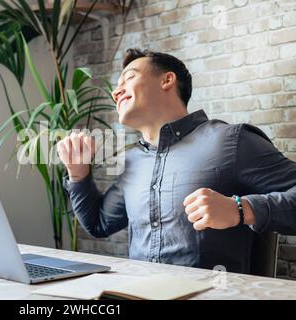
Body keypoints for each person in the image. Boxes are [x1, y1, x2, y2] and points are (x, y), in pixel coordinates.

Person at [57, 48, 296, 274]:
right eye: (116, 87)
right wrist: (78, 175)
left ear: (167, 80)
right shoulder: (132, 161)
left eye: (128, 78)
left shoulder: (231, 141)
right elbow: (99, 223)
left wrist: (242, 209)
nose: (116, 92)